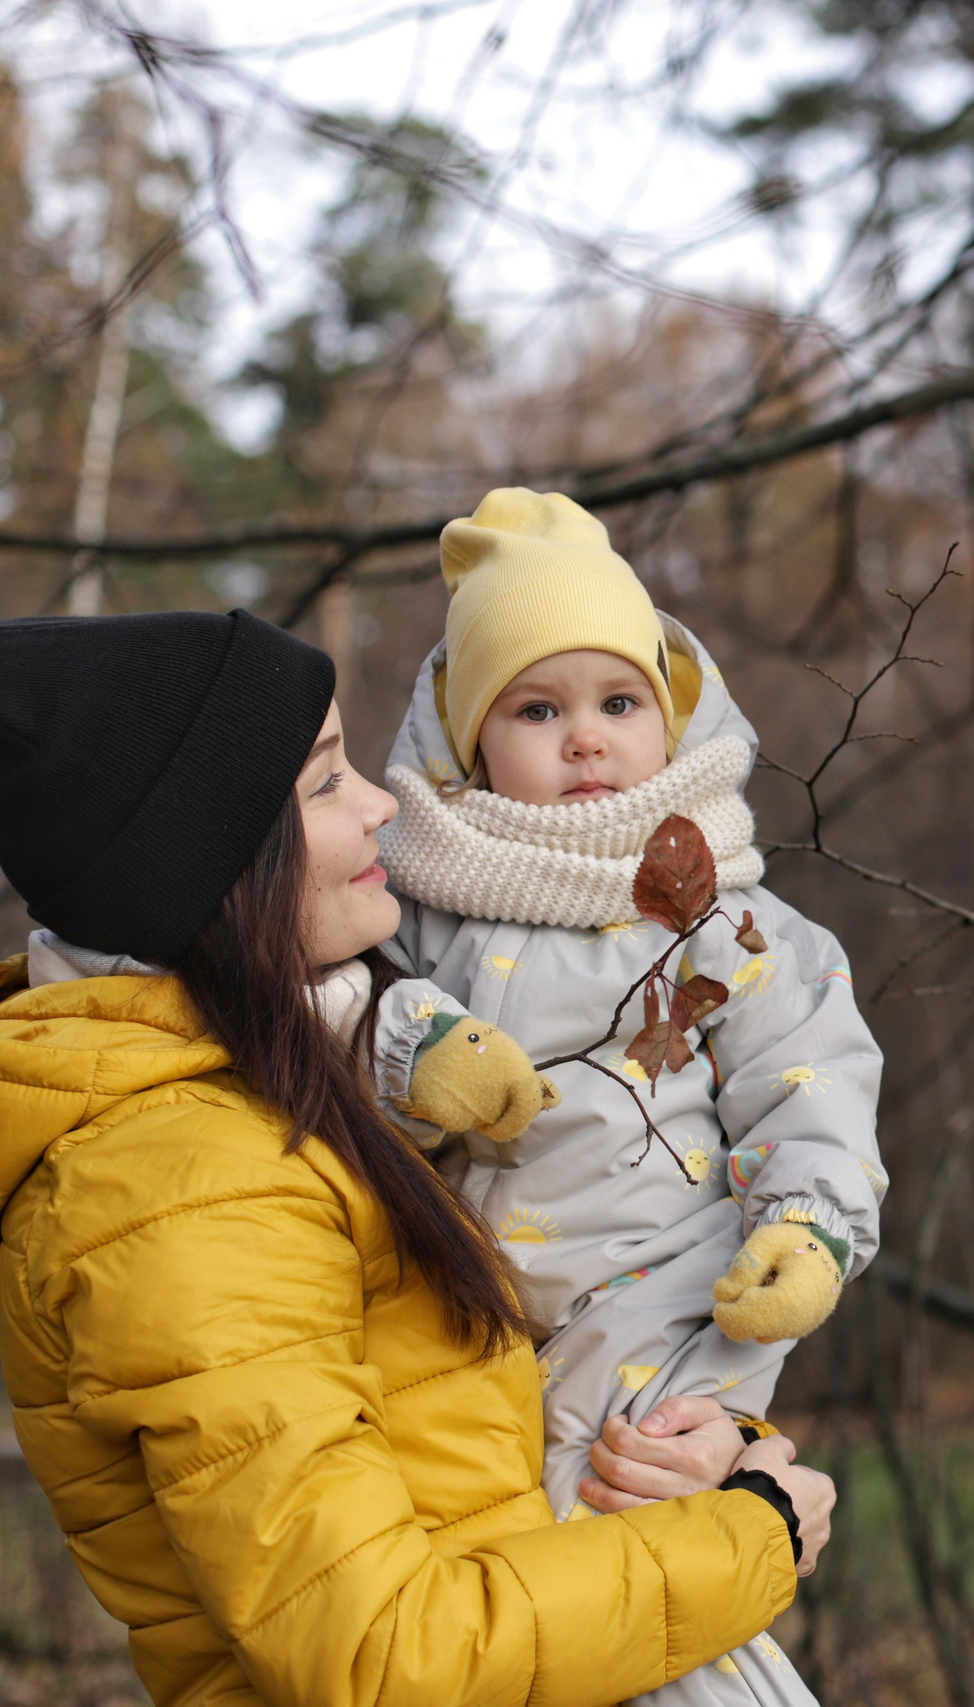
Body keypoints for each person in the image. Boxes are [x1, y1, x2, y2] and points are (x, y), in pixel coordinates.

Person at [0, 608, 829, 1707]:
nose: (385, 802)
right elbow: (381, 1658)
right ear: (216, 860)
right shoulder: (182, 1196)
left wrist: (687, 1447)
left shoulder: (285, 1087)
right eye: (329, 781)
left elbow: (458, 1453)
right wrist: (750, 1537)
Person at [364, 490, 885, 1707]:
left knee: (621, 1516)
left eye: (618, 703)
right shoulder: (421, 904)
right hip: (470, 1308)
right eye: (536, 710)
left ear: (673, 715)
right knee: (553, 1570)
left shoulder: (732, 920)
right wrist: (409, 1050)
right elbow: (336, 1021)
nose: (585, 740)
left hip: (662, 1288)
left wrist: (807, 1230)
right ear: (468, 741)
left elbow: (810, 1084)